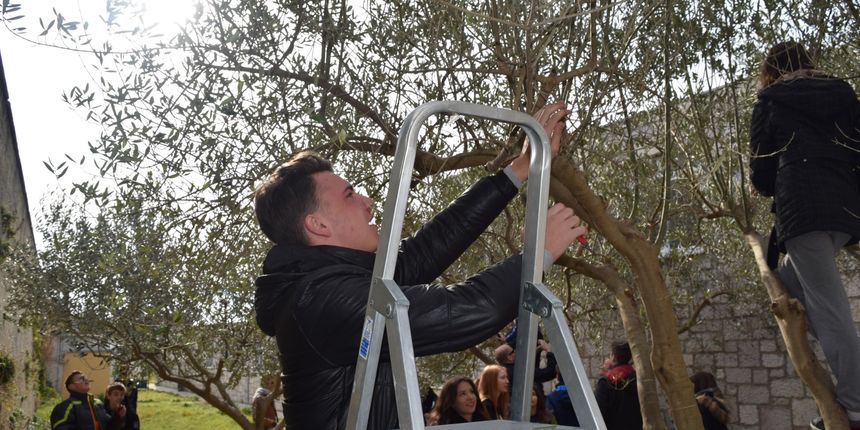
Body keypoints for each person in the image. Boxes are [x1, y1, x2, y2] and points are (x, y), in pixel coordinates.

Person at [253, 102, 585, 429]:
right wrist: (536, 256)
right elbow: (467, 310)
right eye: (350, 195)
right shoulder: (322, 299)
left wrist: (519, 169)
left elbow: (422, 253)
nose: (368, 203)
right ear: (318, 225)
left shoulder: (332, 283)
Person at [749, 41, 860, 430]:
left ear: (770, 70)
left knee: (831, 313)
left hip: (804, 212)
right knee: (790, 282)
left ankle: (856, 405)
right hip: (844, 213)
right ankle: (847, 391)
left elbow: (761, 176)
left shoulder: (771, 100)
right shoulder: (844, 94)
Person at [593, 341, 642, 430]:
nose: (607, 359)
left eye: (609, 356)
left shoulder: (605, 384)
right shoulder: (637, 380)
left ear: (614, 359)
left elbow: (598, 416)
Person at [50, 371, 119, 430]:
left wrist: (118, 415)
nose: (86, 380)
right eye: (81, 379)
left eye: (86, 378)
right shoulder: (64, 407)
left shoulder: (97, 403)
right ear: (71, 386)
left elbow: (109, 426)